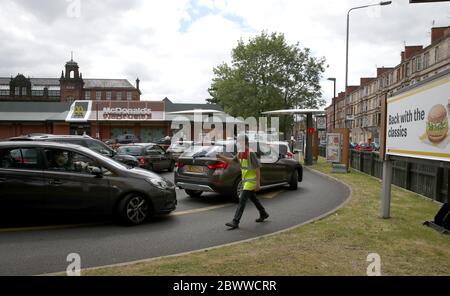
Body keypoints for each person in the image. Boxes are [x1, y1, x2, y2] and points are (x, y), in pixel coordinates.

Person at [217, 134, 269, 230]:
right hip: (245, 181)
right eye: (237, 142)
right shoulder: (240, 153)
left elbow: (258, 168)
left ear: (244, 142)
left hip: (251, 181)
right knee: (253, 199)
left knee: (242, 201)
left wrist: (258, 183)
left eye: (239, 142)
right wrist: (221, 157)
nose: (237, 143)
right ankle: (263, 213)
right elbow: (232, 162)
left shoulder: (251, 153)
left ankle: (235, 221)